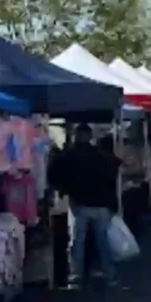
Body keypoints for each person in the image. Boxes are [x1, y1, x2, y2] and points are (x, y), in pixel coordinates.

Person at [49, 124, 122, 291]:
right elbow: (115, 168)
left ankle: (76, 277)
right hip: (102, 204)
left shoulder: (69, 155)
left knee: (77, 242)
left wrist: (63, 191)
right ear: (90, 137)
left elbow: (56, 175)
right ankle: (109, 274)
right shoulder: (101, 155)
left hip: (79, 204)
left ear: (76, 135)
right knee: (102, 241)